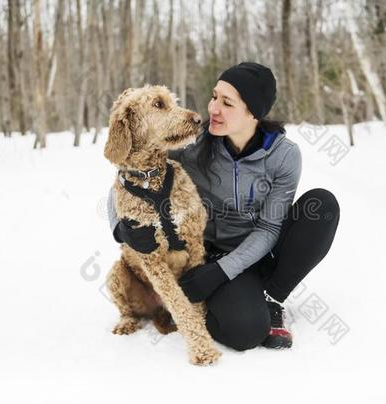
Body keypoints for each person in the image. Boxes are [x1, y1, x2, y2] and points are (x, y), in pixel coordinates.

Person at [107, 62, 340, 351]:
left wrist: (221, 273)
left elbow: (269, 228)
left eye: (226, 102)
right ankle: (243, 298)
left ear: (253, 112)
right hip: (209, 256)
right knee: (244, 333)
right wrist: (122, 229)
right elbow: (130, 174)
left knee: (323, 206)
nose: (213, 108)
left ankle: (273, 297)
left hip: (258, 252)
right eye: (214, 96)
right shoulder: (192, 141)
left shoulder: (284, 155)